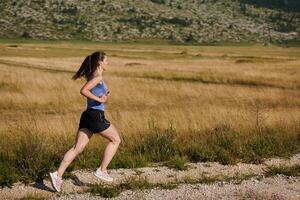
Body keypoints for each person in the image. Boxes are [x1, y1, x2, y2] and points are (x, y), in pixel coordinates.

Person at [49, 51, 121, 192]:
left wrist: (101, 96)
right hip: (95, 116)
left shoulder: (92, 75)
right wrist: (100, 99)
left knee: (77, 148)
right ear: (99, 62)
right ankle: (102, 170)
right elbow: (83, 90)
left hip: (88, 115)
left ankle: (57, 175)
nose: (108, 63)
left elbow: (90, 91)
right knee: (116, 140)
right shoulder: (97, 76)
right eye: (106, 60)